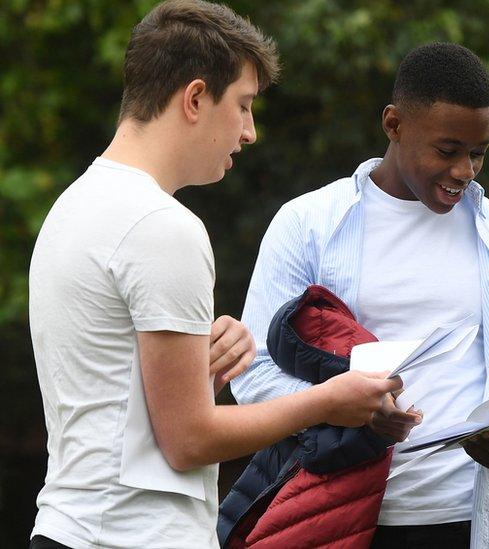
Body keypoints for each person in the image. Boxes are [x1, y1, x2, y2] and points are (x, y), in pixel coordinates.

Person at [27, 2, 399, 548]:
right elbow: (188, 440)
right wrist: (328, 401)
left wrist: (200, 372)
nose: (249, 132)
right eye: (244, 106)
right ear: (196, 98)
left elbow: (110, 396)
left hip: (69, 527)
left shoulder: (74, 205)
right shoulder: (162, 225)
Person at [228, 42, 489, 548]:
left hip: (466, 521)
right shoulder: (307, 224)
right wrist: (341, 407)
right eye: (448, 150)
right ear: (394, 124)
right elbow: (254, 372)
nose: (465, 171)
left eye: (479, 153)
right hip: (332, 516)